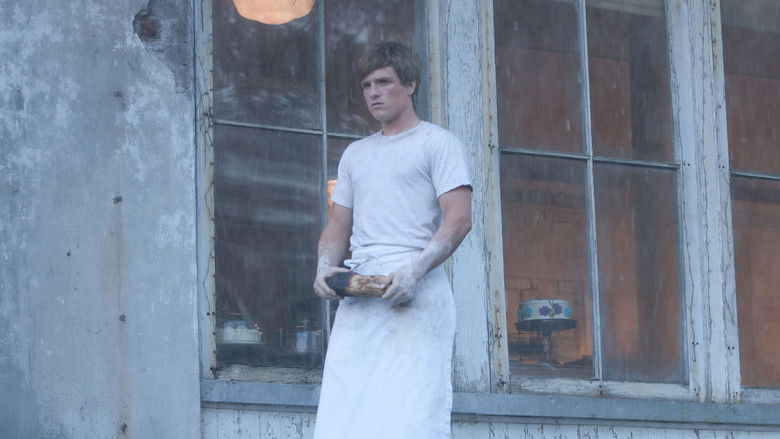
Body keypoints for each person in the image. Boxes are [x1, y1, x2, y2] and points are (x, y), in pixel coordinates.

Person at [312, 41, 473, 439]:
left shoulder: (438, 143)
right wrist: (324, 267)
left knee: (409, 416)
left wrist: (414, 271)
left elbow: (459, 219)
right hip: (361, 293)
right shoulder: (356, 154)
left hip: (415, 289)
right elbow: (337, 224)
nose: (374, 93)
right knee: (347, 414)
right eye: (367, 85)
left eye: (384, 82)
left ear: (411, 84)